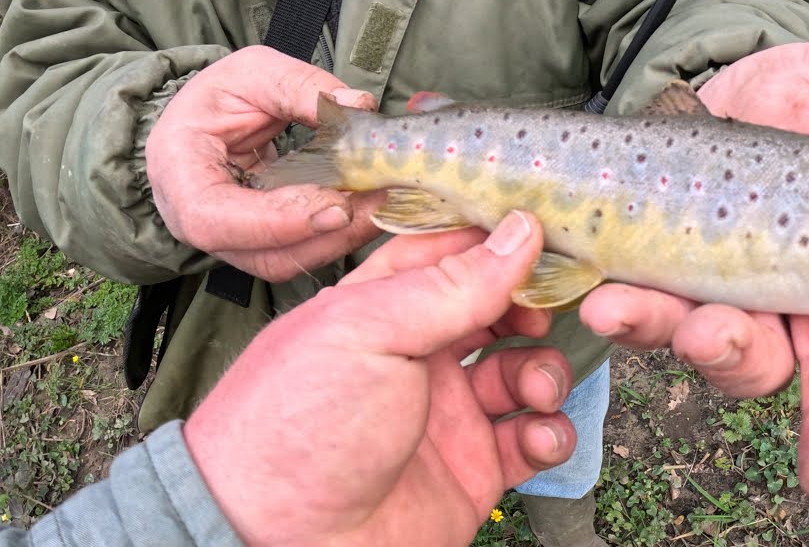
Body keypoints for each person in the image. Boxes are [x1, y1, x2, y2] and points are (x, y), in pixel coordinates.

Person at [0, 0, 809, 544]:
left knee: (557, 418)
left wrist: (726, 62)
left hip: (551, 324)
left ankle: (563, 519)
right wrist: (142, 141)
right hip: (248, 346)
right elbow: (36, 68)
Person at [0, 212, 589, 547]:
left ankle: (567, 525)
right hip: (292, 292)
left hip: (542, 338)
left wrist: (216, 515)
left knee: (558, 417)